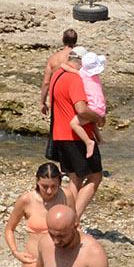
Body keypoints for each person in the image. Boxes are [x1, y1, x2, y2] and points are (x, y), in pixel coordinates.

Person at [3, 162, 69, 267]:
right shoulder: (27, 200)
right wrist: (16, 252)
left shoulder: (66, 195)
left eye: (53, 187)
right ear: (37, 182)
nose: (49, 191)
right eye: (44, 186)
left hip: (60, 261)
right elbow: (9, 228)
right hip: (33, 261)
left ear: (60, 183)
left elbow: (74, 227)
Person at [46, 46, 104, 221]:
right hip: (75, 135)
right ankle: (73, 219)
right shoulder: (75, 79)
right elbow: (81, 109)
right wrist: (99, 118)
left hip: (59, 134)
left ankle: (65, 219)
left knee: (74, 179)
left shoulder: (57, 74)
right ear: (80, 61)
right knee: (95, 176)